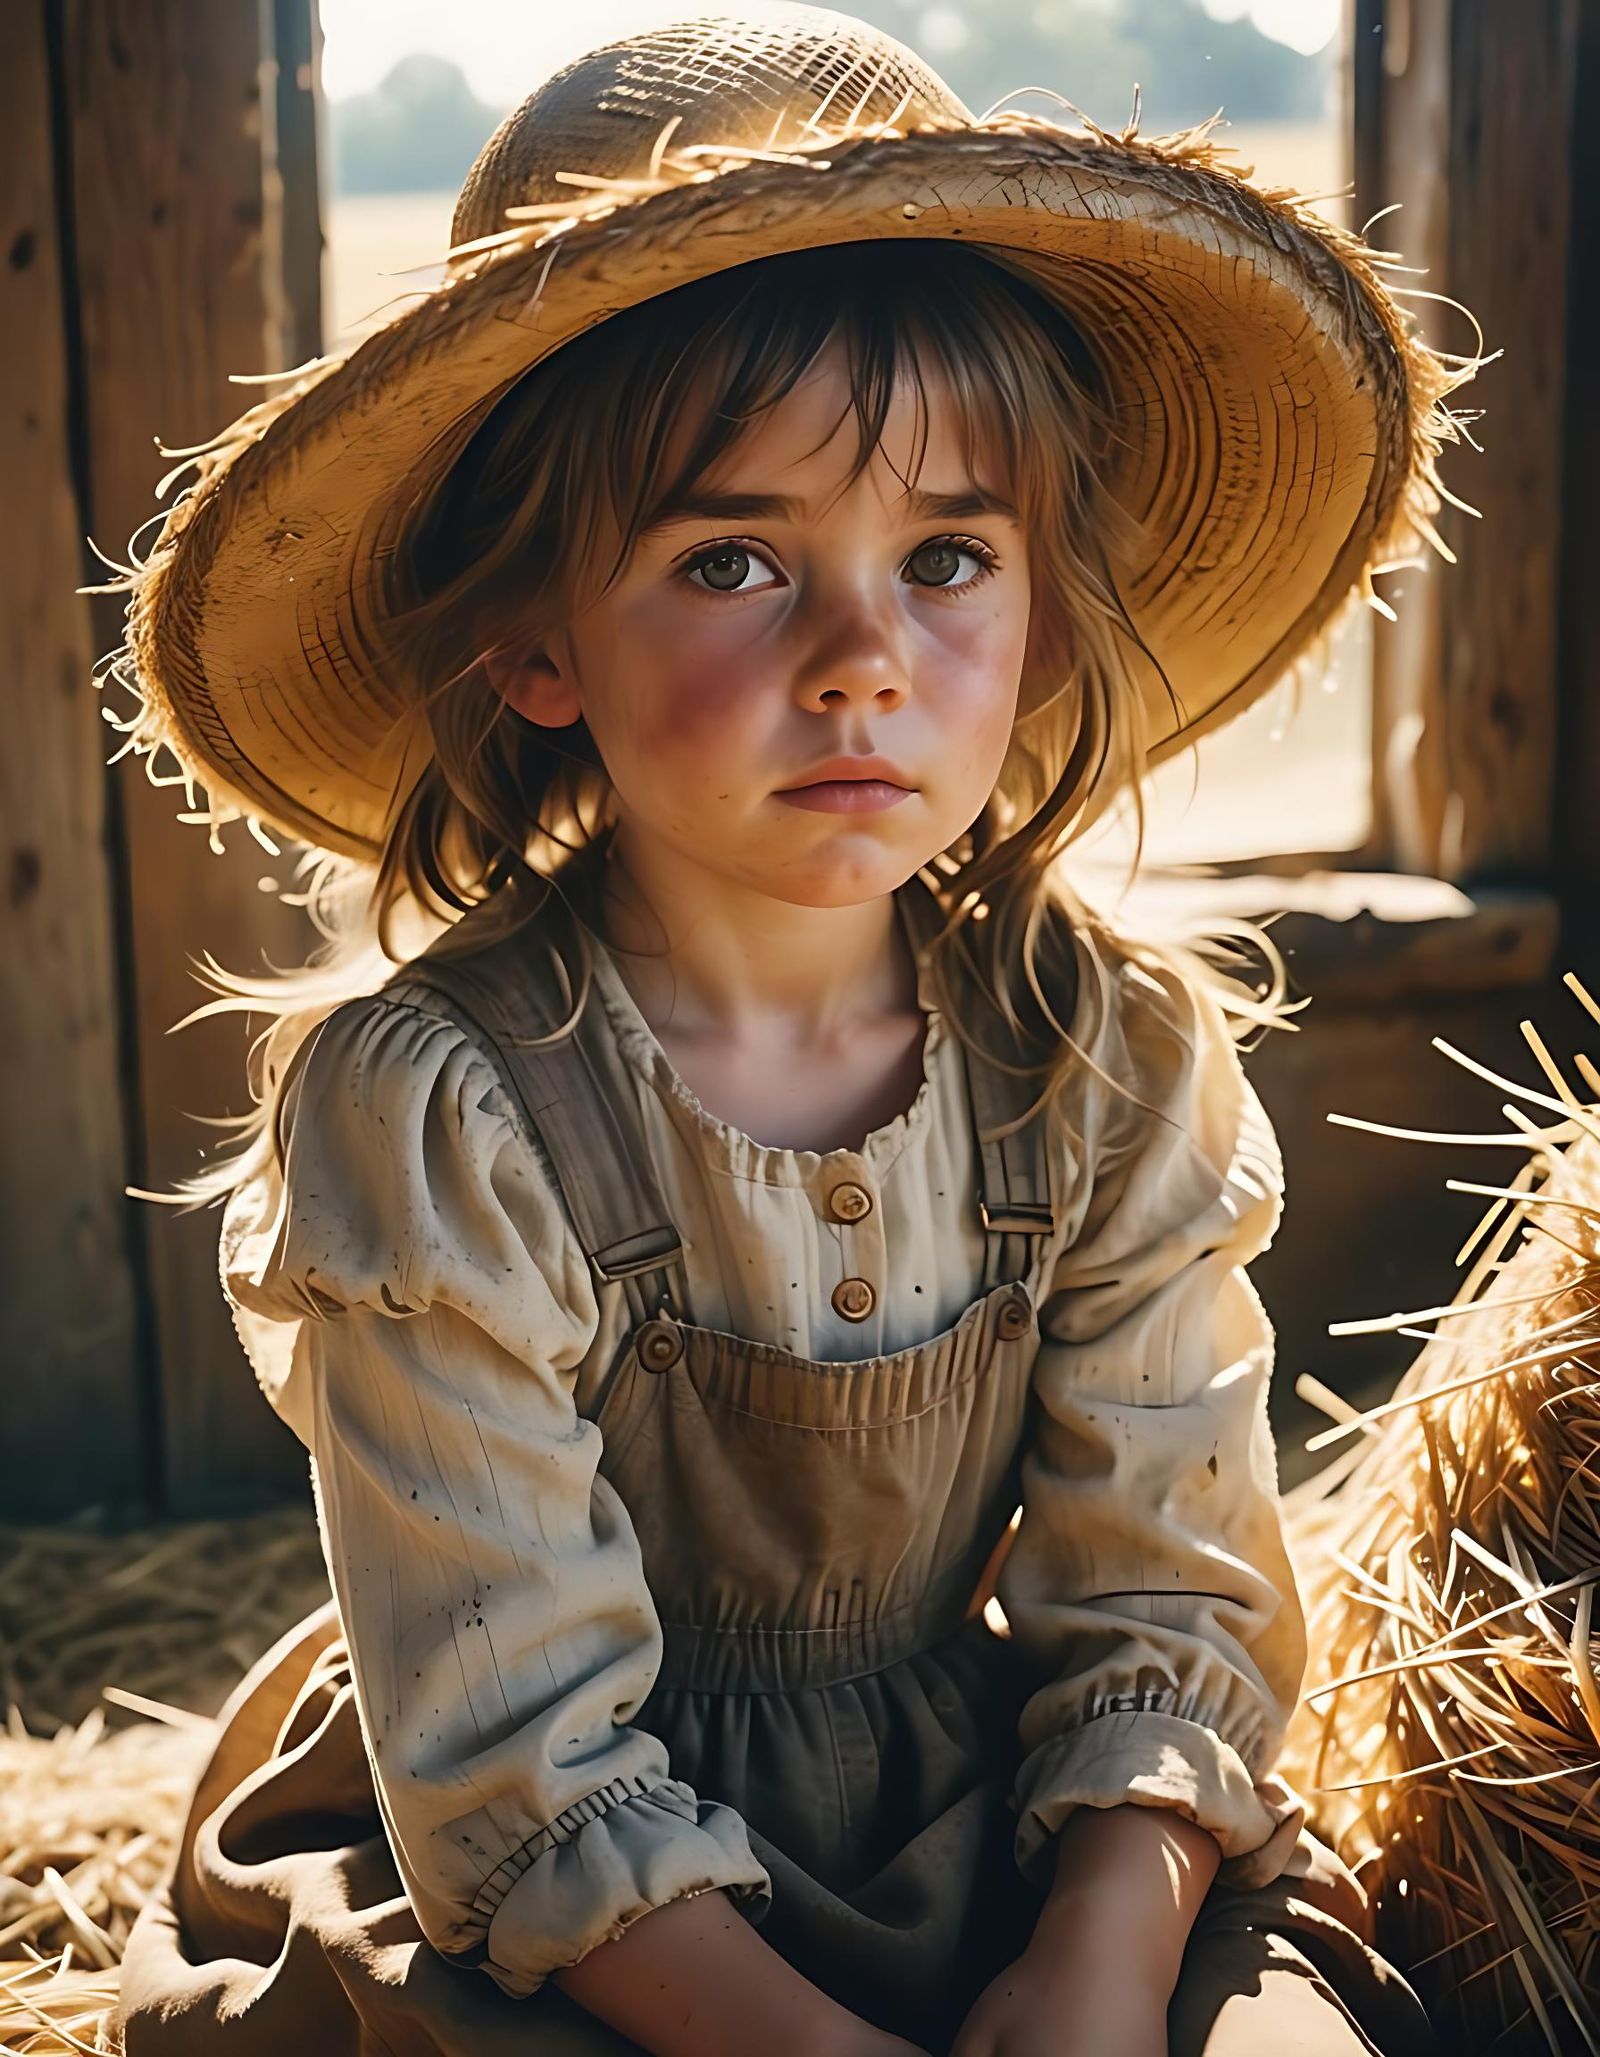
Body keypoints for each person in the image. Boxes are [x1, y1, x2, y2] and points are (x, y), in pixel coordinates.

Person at [106, 8, 1476, 2052]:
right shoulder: (444, 1116)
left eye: (945, 556)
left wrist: (1099, 1960)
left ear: (1039, 609)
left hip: (1000, 1827)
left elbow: (1164, 1582)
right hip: (575, 1908)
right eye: (733, 559)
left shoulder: (1100, 1059)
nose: (859, 661)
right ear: (536, 641)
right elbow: (513, 1755)